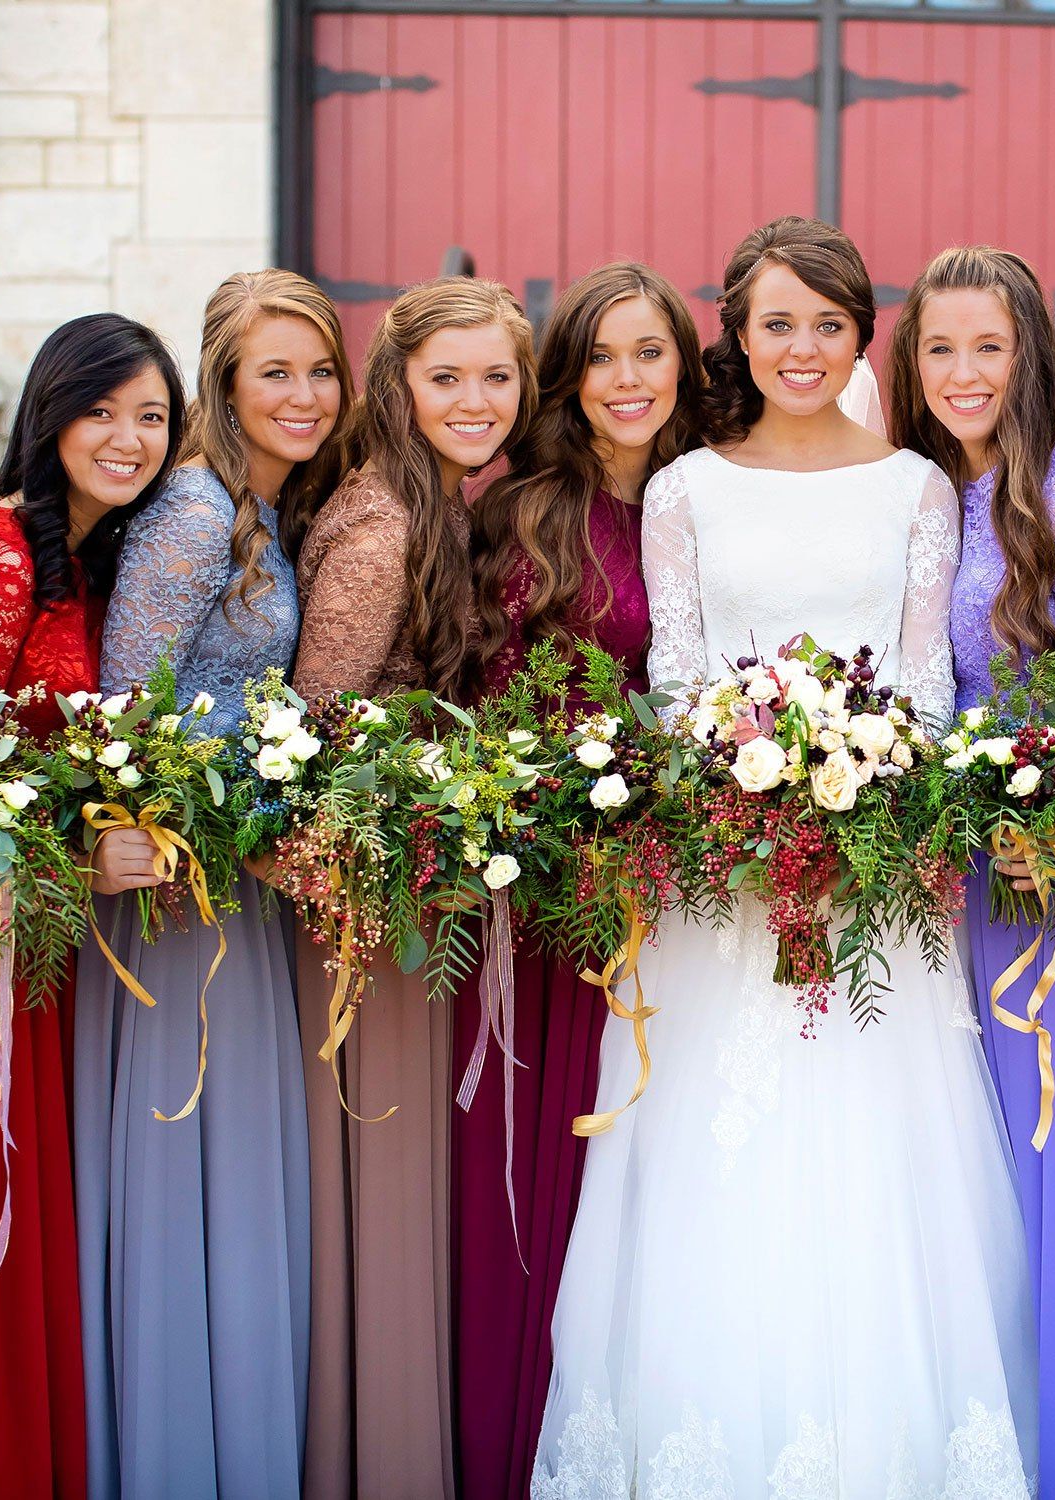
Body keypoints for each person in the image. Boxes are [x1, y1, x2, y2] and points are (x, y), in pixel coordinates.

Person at [531, 216, 1037, 1496]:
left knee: (873, 1162)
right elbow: (678, 681)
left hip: (878, 887)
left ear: (861, 336)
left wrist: (865, 815)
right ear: (739, 339)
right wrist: (740, 818)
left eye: (827, 323)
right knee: (715, 1161)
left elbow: (923, 689)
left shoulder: (918, 488)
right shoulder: (687, 489)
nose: (801, 348)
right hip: (719, 888)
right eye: (775, 324)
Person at [72, 268, 354, 1499]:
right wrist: (229, 835)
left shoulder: (265, 508)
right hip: (180, 887)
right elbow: (128, 709)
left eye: (321, 371)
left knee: (233, 1166)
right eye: (273, 372)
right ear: (223, 384)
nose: (303, 395)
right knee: (189, 1158)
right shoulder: (194, 511)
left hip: (233, 873)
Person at [887, 242, 1055, 1497]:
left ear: (1030, 355)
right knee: (968, 1175)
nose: (962, 370)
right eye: (940, 346)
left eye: (988, 344)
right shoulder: (926, 489)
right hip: (958, 885)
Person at [0, 315, 180, 1499]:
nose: (128, 439)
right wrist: (74, 868)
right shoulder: (8, 548)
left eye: (152, 417)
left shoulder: (92, 550)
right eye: (102, 411)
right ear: (49, 414)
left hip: (40, 929)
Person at [289, 275, 534, 1500]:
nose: (476, 400)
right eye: (447, 378)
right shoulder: (382, 523)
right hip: (364, 902)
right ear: (398, 385)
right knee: (379, 1187)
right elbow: (320, 731)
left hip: (415, 885)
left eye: (497, 376)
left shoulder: (444, 505)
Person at [455, 261, 694, 1498]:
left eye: (649, 352)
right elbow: (484, 701)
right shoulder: (527, 512)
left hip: (686, 888)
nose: (626, 379)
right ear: (569, 377)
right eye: (602, 355)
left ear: (684, 366)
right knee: (546, 1164)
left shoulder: (712, 490)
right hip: (552, 888)